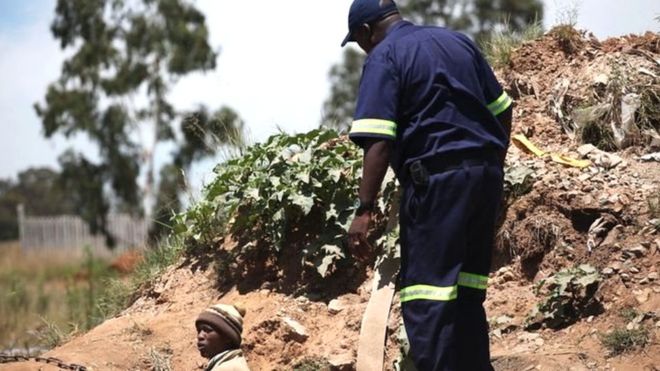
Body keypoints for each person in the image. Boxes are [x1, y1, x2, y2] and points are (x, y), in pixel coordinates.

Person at [342, 0, 513, 370]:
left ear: (365, 32)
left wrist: (364, 209)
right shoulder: (458, 42)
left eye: (359, 42)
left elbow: (379, 139)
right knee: (467, 293)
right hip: (484, 177)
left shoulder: (383, 56)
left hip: (437, 183)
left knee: (427, 298)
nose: (363, 50)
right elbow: (503, 108)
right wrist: (490, 166)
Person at [195, 303, 251, 371]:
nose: (200, 336)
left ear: (227, 337)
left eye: (207, 330)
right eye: (199, 331)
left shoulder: (228, 368)